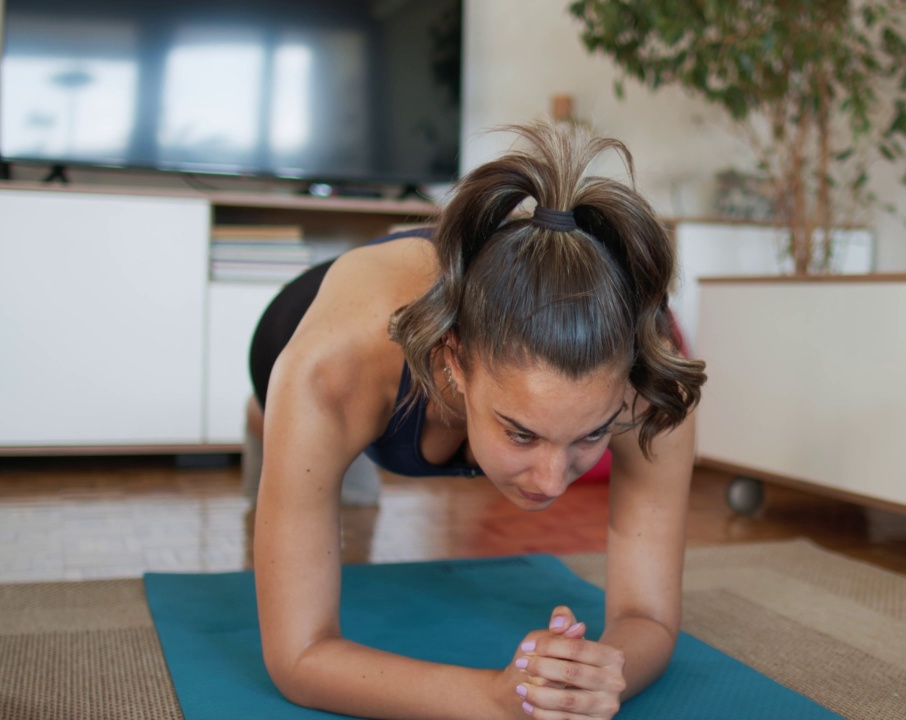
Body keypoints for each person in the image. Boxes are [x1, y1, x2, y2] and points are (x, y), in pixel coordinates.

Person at [247, 120, 707, 720]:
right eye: (523, 432)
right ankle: (267, 423)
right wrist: (497, 698)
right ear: (453, 363)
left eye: (591, 433)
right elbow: (298, 657)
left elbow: (648, 618)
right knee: (299, 445)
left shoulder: (653, 372)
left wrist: (593, 676)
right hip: (309, 329)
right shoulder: (331, 369)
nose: (550, 481)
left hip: (465, 326)